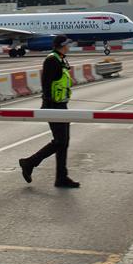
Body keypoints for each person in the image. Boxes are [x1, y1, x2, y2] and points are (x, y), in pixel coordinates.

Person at [18, 35, 80, 188]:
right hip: (54, 106)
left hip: (61, 105)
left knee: (63, 143)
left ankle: (61, 177)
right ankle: (29, 163)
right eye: (67, 45)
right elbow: (46, 84)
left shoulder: (61, 59)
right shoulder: (51, 60)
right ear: (62, 45)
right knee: (60, 142)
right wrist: (48, 105)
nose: (69, 47)